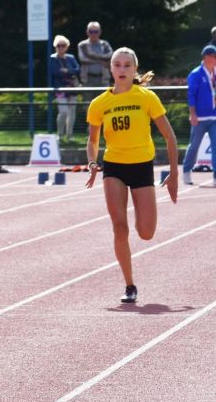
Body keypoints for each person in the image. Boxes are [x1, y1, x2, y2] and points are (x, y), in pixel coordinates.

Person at [85, 48, 178, 304]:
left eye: (127, 65)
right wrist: (92, 161)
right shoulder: (99, 103)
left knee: (146, 232)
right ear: (111, 69)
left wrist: (174, 174)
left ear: (134, 69)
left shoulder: (147, 98)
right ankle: (129, 285)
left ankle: (141, 214)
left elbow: (170, 137)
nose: (122, 69)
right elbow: (92, 141)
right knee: (119, 226)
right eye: (118, 65)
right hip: (113, 166)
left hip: (141, 166)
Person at [181, 45, 216, 186]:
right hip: (199, 118)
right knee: (194, 146)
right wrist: (192, 114)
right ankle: (186, 171)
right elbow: (191, 96)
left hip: (214, 117)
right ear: (207, 57)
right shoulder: (195, 74)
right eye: (214, 56)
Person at [49, 35, 82, 143]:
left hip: (72, 88)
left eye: (63, 45)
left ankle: (69, 135)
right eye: (58, 46)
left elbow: (77, 69)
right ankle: (59, 134)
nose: (61, 48)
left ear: (67, 47)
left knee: (72, 112)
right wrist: (68, 71)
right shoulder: (52, 58)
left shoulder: (71, 58)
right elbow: (55, 72)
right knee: (63, 112)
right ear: (55, 47)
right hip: (60, 89)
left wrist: (67, 71)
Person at [77, 21, 112, 87]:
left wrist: (91, 55)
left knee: (104, 97)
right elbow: (83, 59)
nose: (93, 34)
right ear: (87, 32)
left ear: (100, 32)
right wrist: (101, 60)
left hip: (103, 79)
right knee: (88, 97)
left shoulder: (105, 44)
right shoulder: (82, 45)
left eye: (96, 32)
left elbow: (110, 55)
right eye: (91, 31)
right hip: (87, 79)